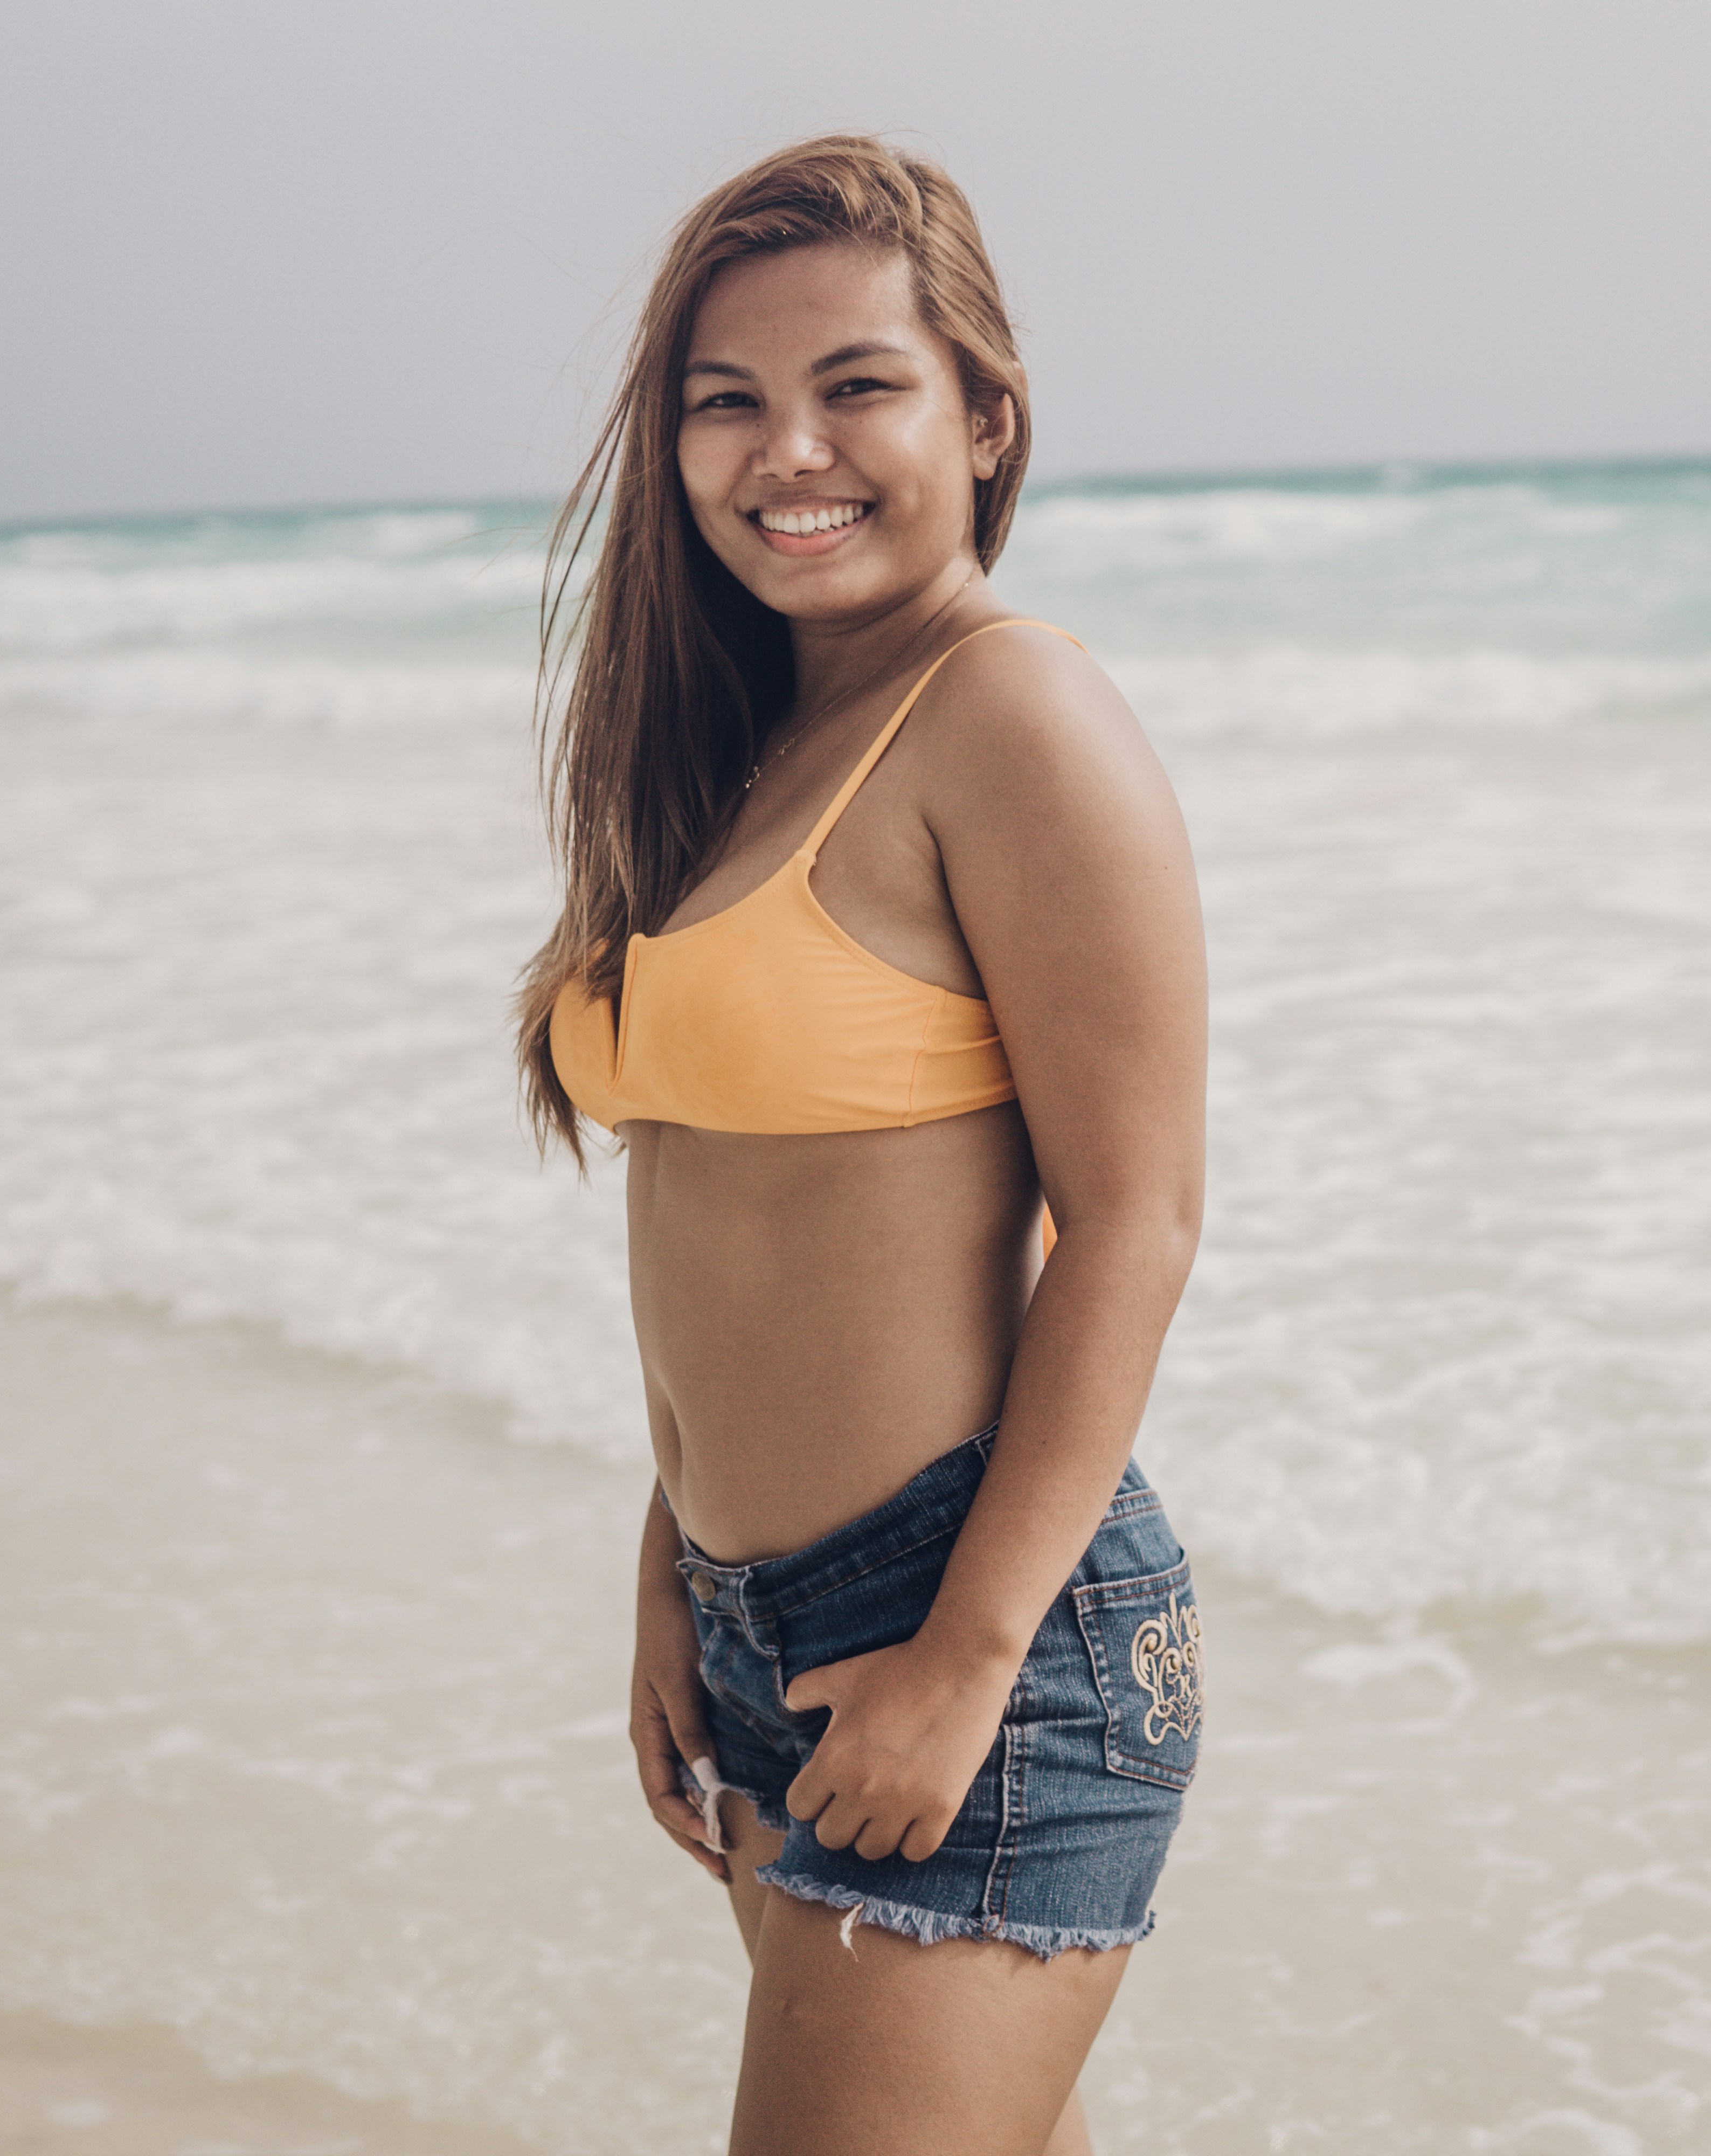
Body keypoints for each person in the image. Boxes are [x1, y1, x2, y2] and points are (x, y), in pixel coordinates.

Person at [515, 136, 1208, 2156]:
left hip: (974, 1632)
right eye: (726, 402)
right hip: (771, 1639)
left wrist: (966, 1657)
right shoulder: (743, 754)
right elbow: (733, 1227)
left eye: (858, 386)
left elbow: (1140, 1220)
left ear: (985, 418)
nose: (785, 450)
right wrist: (671, 1571)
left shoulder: (1013, 713)